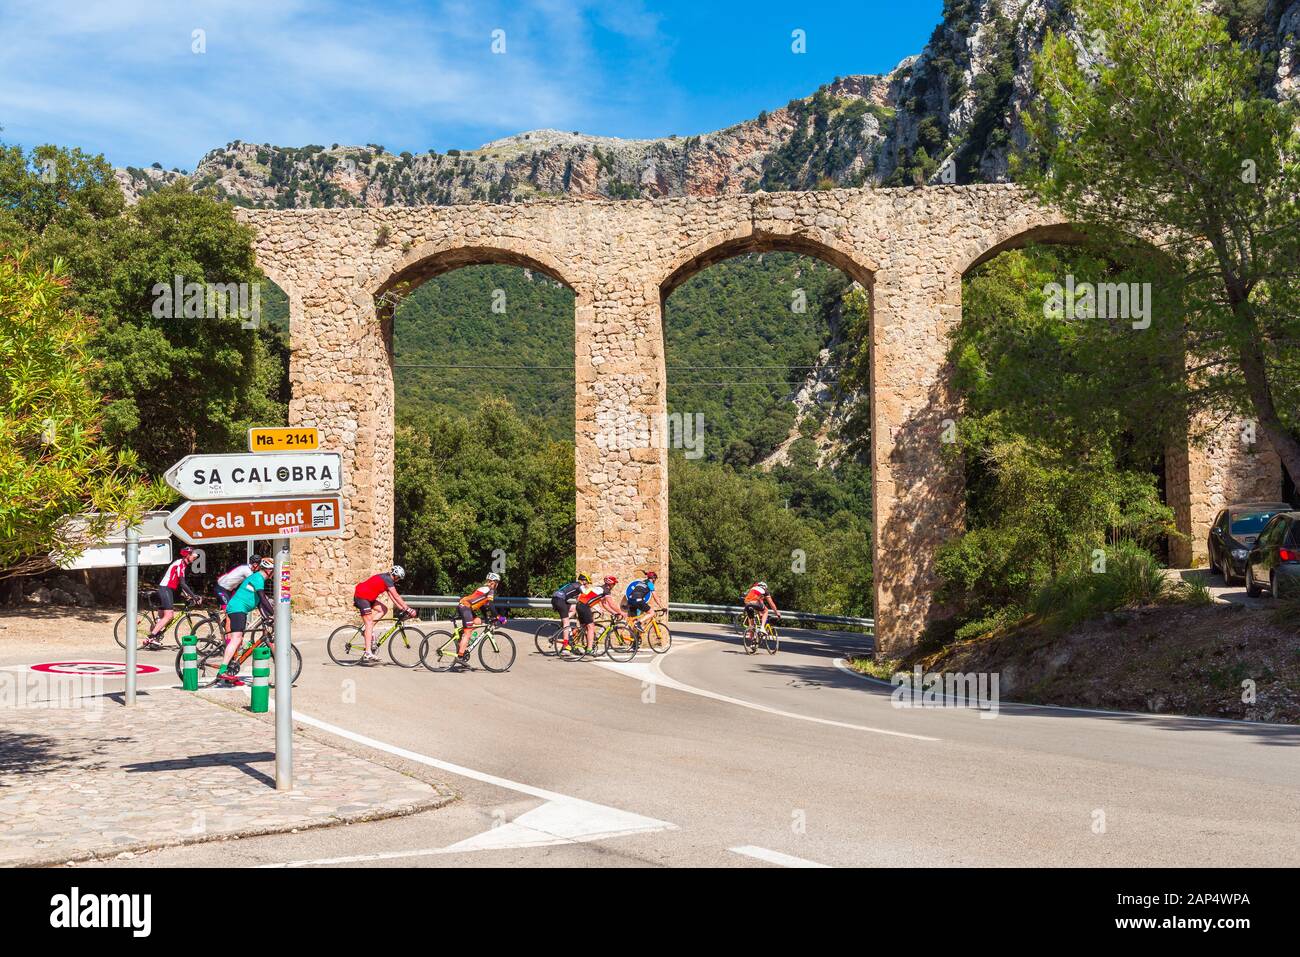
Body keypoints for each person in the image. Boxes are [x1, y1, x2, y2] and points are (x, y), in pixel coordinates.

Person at [215, 557, 275, 685]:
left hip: (239, 608)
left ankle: (231, 671)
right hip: (237, 608)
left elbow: (260, 604)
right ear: (269, 570)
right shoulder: (258, 578)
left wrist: (268, 617)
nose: (274, 573)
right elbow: (263, 599)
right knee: (236, 638)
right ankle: (222, 670)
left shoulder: (259, 578)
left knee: (239, 640)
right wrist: (275, 614)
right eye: (273, 570)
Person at [354, 565, 416, 665]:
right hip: (362, 597)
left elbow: (392, 597)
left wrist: (402, 609)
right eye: (399, 578)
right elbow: (396, 595)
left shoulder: (388, 580)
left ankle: (367, 631)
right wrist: (408, 608)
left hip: (368, 597)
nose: (398, 580)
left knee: (383, 609)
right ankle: (368, 652)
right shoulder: (388, 579)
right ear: (395, 575)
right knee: (369, 623)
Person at [144, 547, 201, 649]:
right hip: (165, 589)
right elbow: (183, 584)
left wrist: (187, 595)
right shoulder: (180, 564)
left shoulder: (182, 564)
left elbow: (180, 583)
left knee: (165, 617)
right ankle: (151, 637)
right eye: (193, 556)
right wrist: (194, 596)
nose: (194, 558)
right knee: (169, 615)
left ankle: (155, 637)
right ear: (187, 555)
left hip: (167, 589)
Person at [452, 572, 501, 670]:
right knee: (468, 632)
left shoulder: (484, 589)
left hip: (466, 607)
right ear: (493, 582)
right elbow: (491, 605)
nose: (497, 585)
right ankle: (460, 656)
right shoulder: (490, 590)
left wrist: (487, 619)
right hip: (465, 607)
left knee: (478, 621)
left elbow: (482, 605)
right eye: (497, 582)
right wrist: (499, 617)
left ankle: (461, 639)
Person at [214, 552, 267, 630]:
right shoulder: (247, 571)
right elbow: (257, 587)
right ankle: (228, 641)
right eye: (260, 566)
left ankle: (226, 626)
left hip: (230, 590)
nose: (260, 569)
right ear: (255, 565)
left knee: (233, 612)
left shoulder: (247, 567)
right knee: (229, 615)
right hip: (221, 589)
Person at [574, 575, 623, 654]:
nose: (614, 586)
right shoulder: (606, 590)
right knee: (591, 627)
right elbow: (611, 604)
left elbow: (605, 604)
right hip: (584, 606)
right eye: (614, 584)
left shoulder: (601, 588)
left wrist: (614, 613)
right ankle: (589, 649)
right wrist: (620, 612)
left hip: (580, 605)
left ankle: (572, 643)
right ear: (610, 584)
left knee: (583, 627)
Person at [550, 573, 590, 649]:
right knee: (567, 623)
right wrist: (596, 608)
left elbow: (579, 600)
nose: (587, 585)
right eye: (587, 583)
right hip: (559, 600)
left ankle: (564, 621)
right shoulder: (580, 586)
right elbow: (586, 596)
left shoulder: (574, 585)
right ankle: (565, 644)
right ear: (584, 581)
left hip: (556, 599)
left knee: (573, 608)